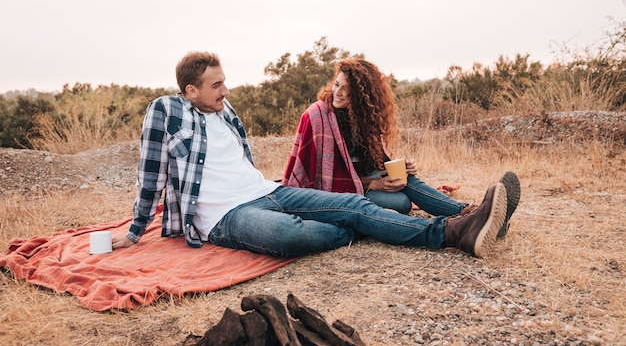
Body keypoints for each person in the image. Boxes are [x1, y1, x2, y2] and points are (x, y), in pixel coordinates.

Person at [112, 51, 509, 259]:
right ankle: (374, 226)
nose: (227, 91)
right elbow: (151, 177)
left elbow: (242, 160)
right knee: (292, 235)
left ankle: (455, 230)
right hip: (224, 216)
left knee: (355, 203)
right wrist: (134, 233)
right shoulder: (167, 112)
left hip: (268, 191)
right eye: (217, 85)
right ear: (190, 90)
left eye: (225, 82)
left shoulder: (226, 111)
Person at [282, 58, 520, 237]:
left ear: (363, 97)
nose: (338, 92)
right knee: (401, 203)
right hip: (341, 191)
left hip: (364, 181)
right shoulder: (316, 116)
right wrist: (374, 184)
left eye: (347, 89)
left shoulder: (363, 117)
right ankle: (481, 216)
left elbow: (375, 162)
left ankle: (476, 213)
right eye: (336, 85)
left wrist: (401, 168)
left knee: (408, 181)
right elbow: (322, 179)